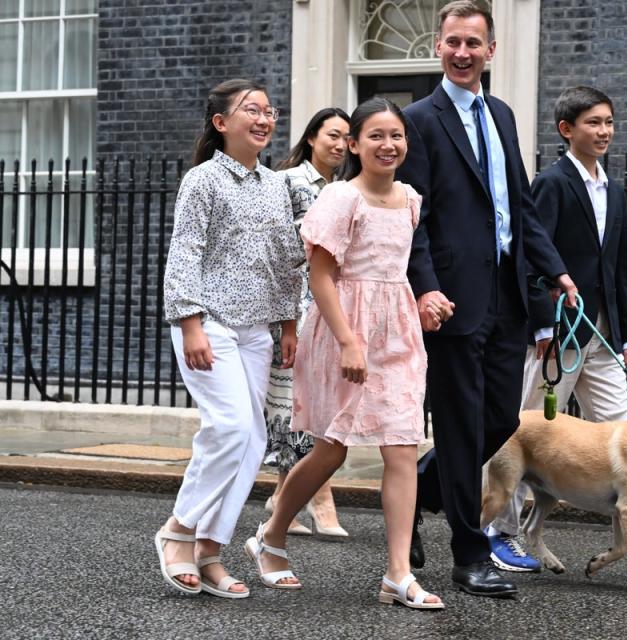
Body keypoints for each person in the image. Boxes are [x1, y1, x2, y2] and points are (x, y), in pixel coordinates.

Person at [484, 86, 627, 579]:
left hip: (602, 334)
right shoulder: (551, 183)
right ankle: (499, 535)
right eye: (593, 123)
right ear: (567, 130)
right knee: (522, 432)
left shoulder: (615, 190)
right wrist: (541, 320)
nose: (604, 131)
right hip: (556, 336)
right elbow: (530, 258)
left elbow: (622, 270)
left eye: (608, 122)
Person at [396, 0, 577, 599]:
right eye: (452, 42)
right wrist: (426, 286)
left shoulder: (501, 114)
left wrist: (555, 272)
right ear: (439, 48)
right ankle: (469, 556)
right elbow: (412, 216)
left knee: (498, 417)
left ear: (490, 50)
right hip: (451, 297)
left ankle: (413, 493)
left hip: (507, 292)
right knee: (457, 420)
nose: (463, 52)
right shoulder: (418, 119)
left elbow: (519, 204)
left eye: (474, 42)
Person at [245, 97, 444, 610]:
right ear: (354, 144)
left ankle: (397, 574)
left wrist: (423, 303)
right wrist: (350, 340)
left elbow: (398, 270)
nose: (388, 144)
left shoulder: (411, 199)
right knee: (331, 448)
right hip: (341, 329)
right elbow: (321, 275)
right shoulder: (340, 199)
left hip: (397, 331)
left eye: (396, 135)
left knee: (402, 445)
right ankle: (272, 534)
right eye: (375, 135)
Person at [154, 79, 303, 599]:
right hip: (209, 322)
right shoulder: (202, 181)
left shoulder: (274, 185)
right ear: (221, 123)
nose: (264, 119)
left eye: (269, 111)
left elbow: (288, 261)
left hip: (256, 329)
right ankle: (178, 529)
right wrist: (190, 323)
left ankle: (210, 549)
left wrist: (288, 324)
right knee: (232, 426)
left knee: (254, 438)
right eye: (251, 111)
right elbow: (184, 254)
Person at [264, 107, 351, 538]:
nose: (338, 144)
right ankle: (314, 496)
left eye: (345, 137)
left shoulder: (346, 190)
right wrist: (284, 318)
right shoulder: (289, 181)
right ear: (313, 136)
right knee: (293, 404)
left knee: (320, 403)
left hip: (332, 307)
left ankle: (287, 494)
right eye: (332, 135)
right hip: (295, 306)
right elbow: (280, 248)